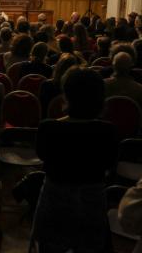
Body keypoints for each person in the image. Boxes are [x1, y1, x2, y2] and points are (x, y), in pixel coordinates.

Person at [33, 68, 116, 253]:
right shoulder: (108, 131)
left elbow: (42, 156)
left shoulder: (48, 128)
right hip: (92, 203)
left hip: (54, 202)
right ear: (100, 98)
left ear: (66, 95)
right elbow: (109, 164)